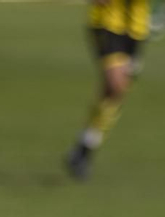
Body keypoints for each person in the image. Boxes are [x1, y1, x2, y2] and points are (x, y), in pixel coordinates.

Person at [66, 0, 152, 180]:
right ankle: (83, 149)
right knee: (116, 85)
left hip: (137, 27)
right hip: (107, 22)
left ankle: (85, 146)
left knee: (114, 94)